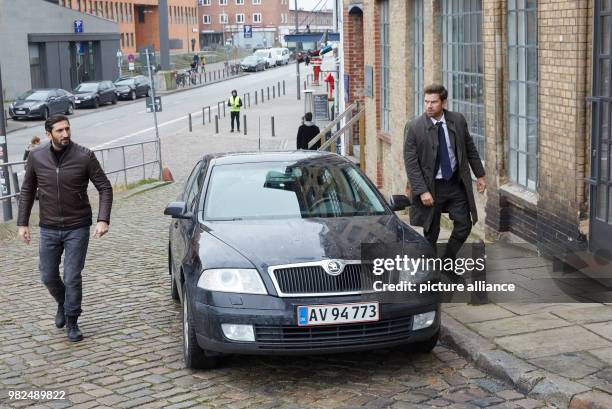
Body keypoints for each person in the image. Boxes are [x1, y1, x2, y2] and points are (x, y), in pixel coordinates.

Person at [17, 115, 113, 342]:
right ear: (49, 134)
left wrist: (103, 219)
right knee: (48, 275)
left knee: (71, 276)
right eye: (59, 131)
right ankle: (63, 301)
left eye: (67, 129)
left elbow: (105, 188)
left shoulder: (85, 156)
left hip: (77, 226)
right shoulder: (36, 156)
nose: (66, 134)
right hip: (49, 227)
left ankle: (72, 320)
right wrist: (22, 223)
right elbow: (27, 190)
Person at [403, 84, 486, 261]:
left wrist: (480, 175)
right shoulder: (414, 127)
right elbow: (411, 163)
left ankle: (447, 260)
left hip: (455, 184)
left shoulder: (457, 120)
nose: (429, 106)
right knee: (431, 231)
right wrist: (422, 190)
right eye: (426, 102)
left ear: (443, 102)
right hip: (431, 186)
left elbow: (469, 148)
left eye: (433, 102)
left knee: (464, 224)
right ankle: (431, 269)